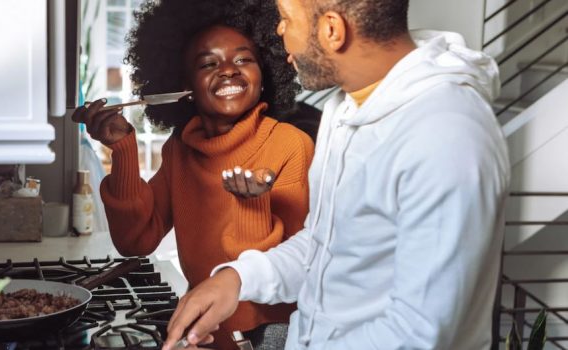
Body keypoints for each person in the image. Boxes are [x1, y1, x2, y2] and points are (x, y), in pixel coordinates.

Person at [162, 0, 511, 349]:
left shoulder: (446, 134)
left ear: (332, 30)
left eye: (285, 18)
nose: (279, 31)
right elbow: (324, 244)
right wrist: (238, 278)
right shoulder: (345, 109)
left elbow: (419, 334)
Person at [71, 0, 315, 348]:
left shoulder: (291, 145)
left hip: (272, 336)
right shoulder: (181, 149)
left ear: (266, 73)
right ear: (184, 86)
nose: (229, 70)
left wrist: (253, 206)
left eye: (243, 59)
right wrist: (123, 149)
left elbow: (300, 268)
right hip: (206, 329)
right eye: (208, 63)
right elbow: (135, 241)